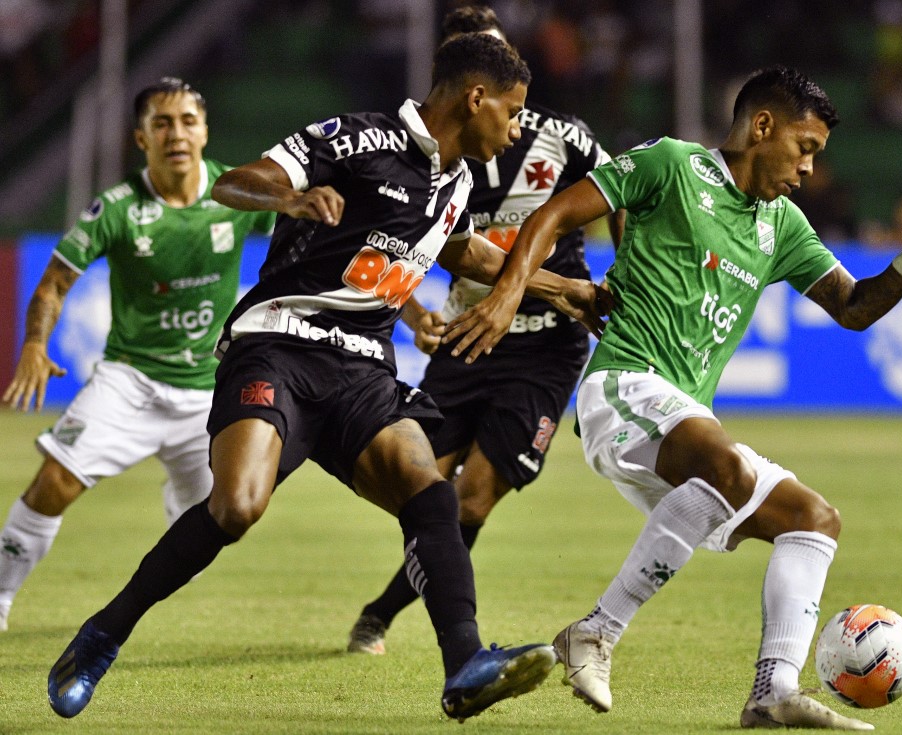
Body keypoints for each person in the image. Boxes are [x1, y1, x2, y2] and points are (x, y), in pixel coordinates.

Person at [45, 32, 610, 723]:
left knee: (430, 494)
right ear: (476, 98)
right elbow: (235, 181)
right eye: (514, 109)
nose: (518, 126)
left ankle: (465, 663)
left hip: (362, 369)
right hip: (279, 345)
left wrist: (560, 288)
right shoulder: (358, 140)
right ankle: (102, 634)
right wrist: (290, 197)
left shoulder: (458, 180)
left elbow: (460, 249)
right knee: (237, 506)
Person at [443, 65, 902, 729]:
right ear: (762, 127)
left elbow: (855, 306)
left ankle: (773, 690)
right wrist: (507, 292)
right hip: (623, 387)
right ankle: (596, 632)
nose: (809, 169)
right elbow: (554, 213)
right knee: (729, 467)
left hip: (682, 424)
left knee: (812, 518)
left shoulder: (781, 225)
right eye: (804, 149)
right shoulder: (671, 166)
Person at [346, 2, 621, 657]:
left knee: (471, 496)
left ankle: (383, 617)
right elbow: (394, 245)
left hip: (547, 346)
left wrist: (624, 283)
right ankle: (434, 630)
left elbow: (625, 202)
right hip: (469, 337)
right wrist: (414, 315)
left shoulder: (568, 140)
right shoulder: (433, 159)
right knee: (416, 487)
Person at [0, 77, 275, 633]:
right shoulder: (117, 209)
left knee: (227, 519)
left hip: (209, 390)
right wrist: (34, 343)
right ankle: (1, 597)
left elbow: (303, 239)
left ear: (205, 131)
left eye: (187, 121)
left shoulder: (239, 192)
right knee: (54, 481)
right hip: (131, 382)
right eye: (161, 123)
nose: (176, 133)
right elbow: (53, 284)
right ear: (140, 139)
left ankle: (185, 499)